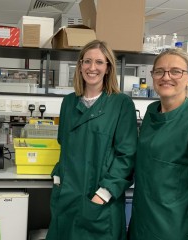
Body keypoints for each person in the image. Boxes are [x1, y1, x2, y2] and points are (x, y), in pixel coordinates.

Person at [45, 40, 137, 240]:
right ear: (79, 66)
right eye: (87, 61)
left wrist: (103, 194)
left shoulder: (121, 104)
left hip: (100, 198)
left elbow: (127, 155)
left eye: (99, 62)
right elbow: (64, 144)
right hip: (67, 195)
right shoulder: (69, 102)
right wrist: (58, 178)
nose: (92, 67)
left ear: (108, 68)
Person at [128, 48, 188, 239]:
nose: (166, 77)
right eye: (159, 71)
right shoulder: (151, 113)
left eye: (175, 71)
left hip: (173, 230)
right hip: (141, 225)